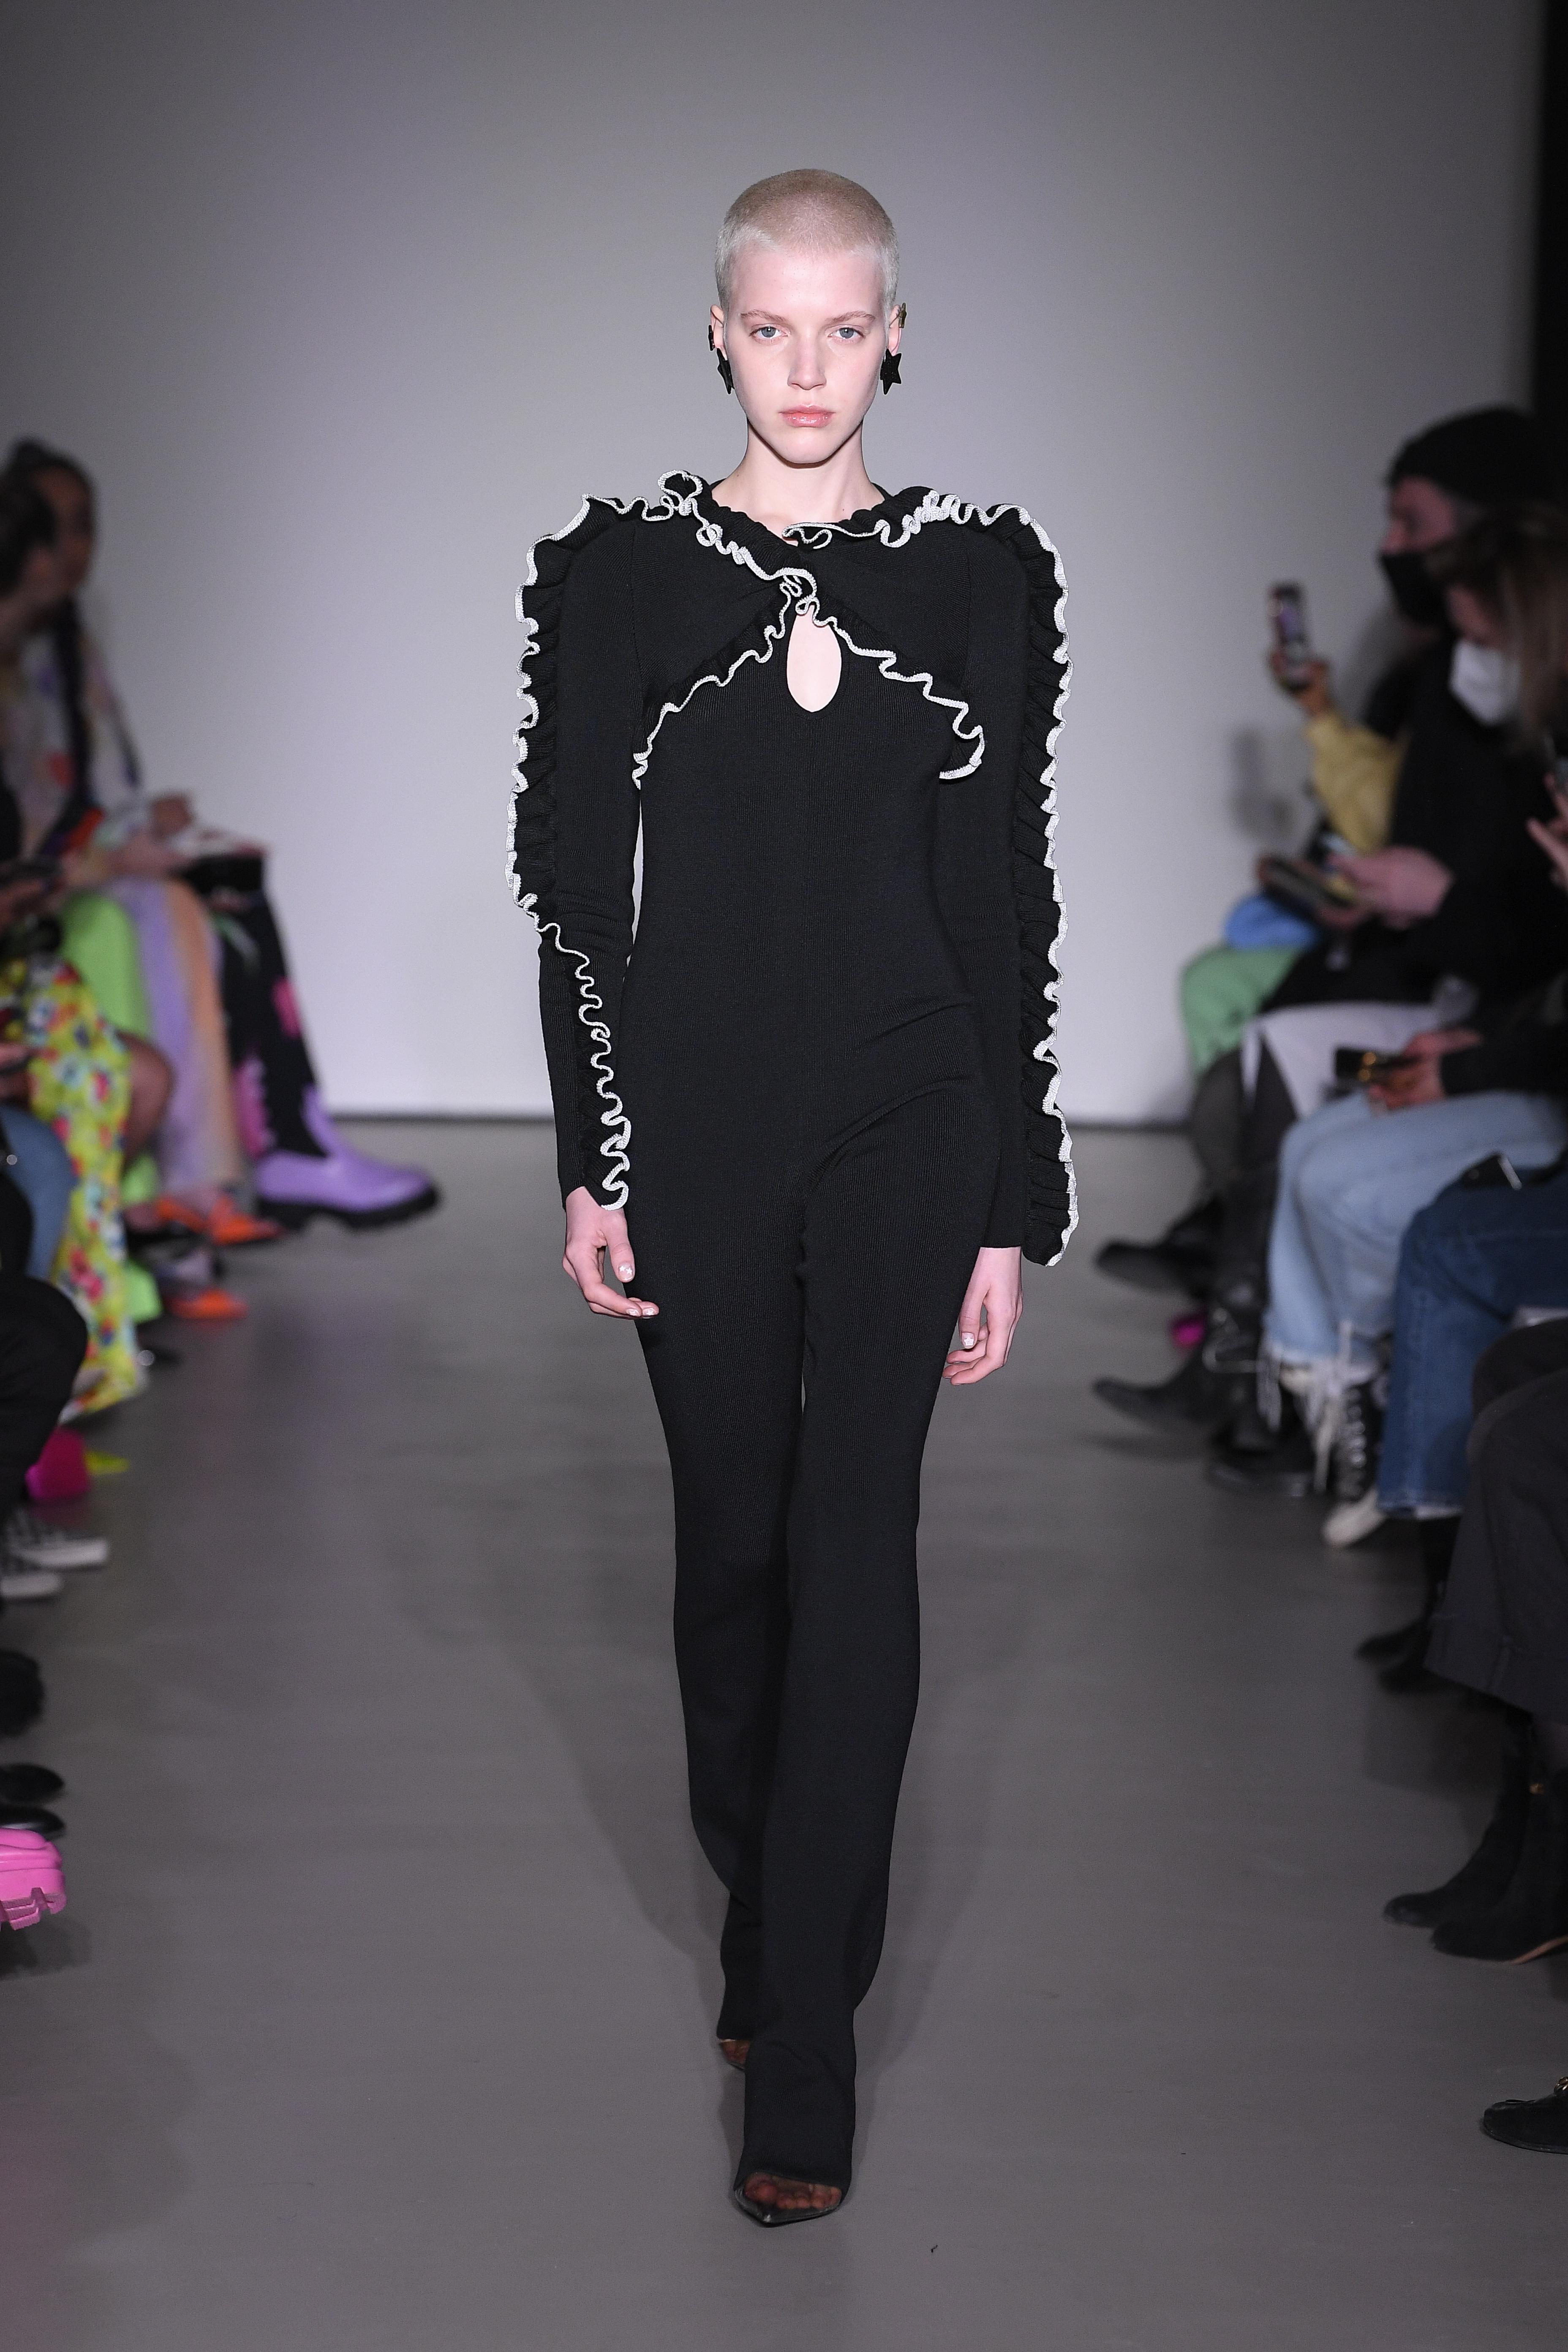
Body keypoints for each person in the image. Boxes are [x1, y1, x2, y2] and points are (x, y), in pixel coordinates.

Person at [512, 170, 1070, 2224]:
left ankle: (806, 2054)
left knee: (857, 1537)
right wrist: (593, 1156)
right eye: (774, 328)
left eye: (847, 328)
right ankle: (769, 1911)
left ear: (897, 332)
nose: (809, 367)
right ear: (720, 333)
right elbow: (577, 895)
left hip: (914, 1105)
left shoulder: (987, 576)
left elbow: (1001, 894)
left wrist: (1013, 1192)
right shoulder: (616, 575)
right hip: (701, 1108)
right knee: (733, 1550)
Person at [1094, 501, 1568, 1450]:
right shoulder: (1485, 734)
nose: (1470, 659)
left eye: (1482, 639)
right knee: (1278, 1056)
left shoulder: (1527, 760)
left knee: (1305, 1093)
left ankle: (1260, 1364)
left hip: (1470, 1041)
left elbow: (1519, 952)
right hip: (1456, 1026)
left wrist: (1440, 931)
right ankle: (1245, 1349)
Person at [0, 439, 439, 1233]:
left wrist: (146, 818)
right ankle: (213, 1177)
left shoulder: (67, 644)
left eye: (83, 525)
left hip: (79, 862)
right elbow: (26, 828)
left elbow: (78, 793)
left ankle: (291, 1138)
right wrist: (112, 854)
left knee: (236, 887)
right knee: (178, 910)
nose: (69, 550)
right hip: (55, 884)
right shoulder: (19, 653)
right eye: (51, 529)